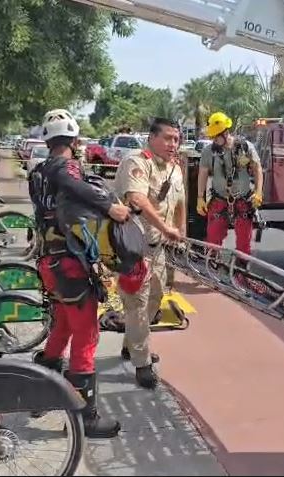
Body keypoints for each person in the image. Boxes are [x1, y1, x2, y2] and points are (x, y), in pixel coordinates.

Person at [29, 108, 131, 438]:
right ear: (73, 141)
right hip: (70, 266)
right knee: (87, 336)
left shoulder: (37, 172)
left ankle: (40, 394)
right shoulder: (66, 167)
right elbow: (72, 183)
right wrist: (110, 207)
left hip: (50, 263)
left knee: (62, 326)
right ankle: (85, 417)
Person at [114, 117, 186, 389]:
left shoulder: (175, 168)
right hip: (134, 249)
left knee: (154, 300)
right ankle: (142, 365)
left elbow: (180, 201)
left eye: (176, 139)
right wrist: (165, 227)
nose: (172, 144)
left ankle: (131, 345)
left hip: (159, 249)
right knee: (137, 306)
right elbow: (137, 199)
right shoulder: (136, 162)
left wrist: (180, 230)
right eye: (167, 138)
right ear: (152, 138)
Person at [196, 112, 264, 256]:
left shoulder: (245, 147)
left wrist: (258, 192)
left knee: (244, 244)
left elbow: (257, 169)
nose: (213, 140)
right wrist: (200, 197)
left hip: (243, 200)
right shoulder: (209, 151)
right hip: (219, 200)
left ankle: (241, 268)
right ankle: (213, 265)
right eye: (212, 137)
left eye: (216, 136)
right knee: (213, 241)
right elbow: (203, 173)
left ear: (225, 133)